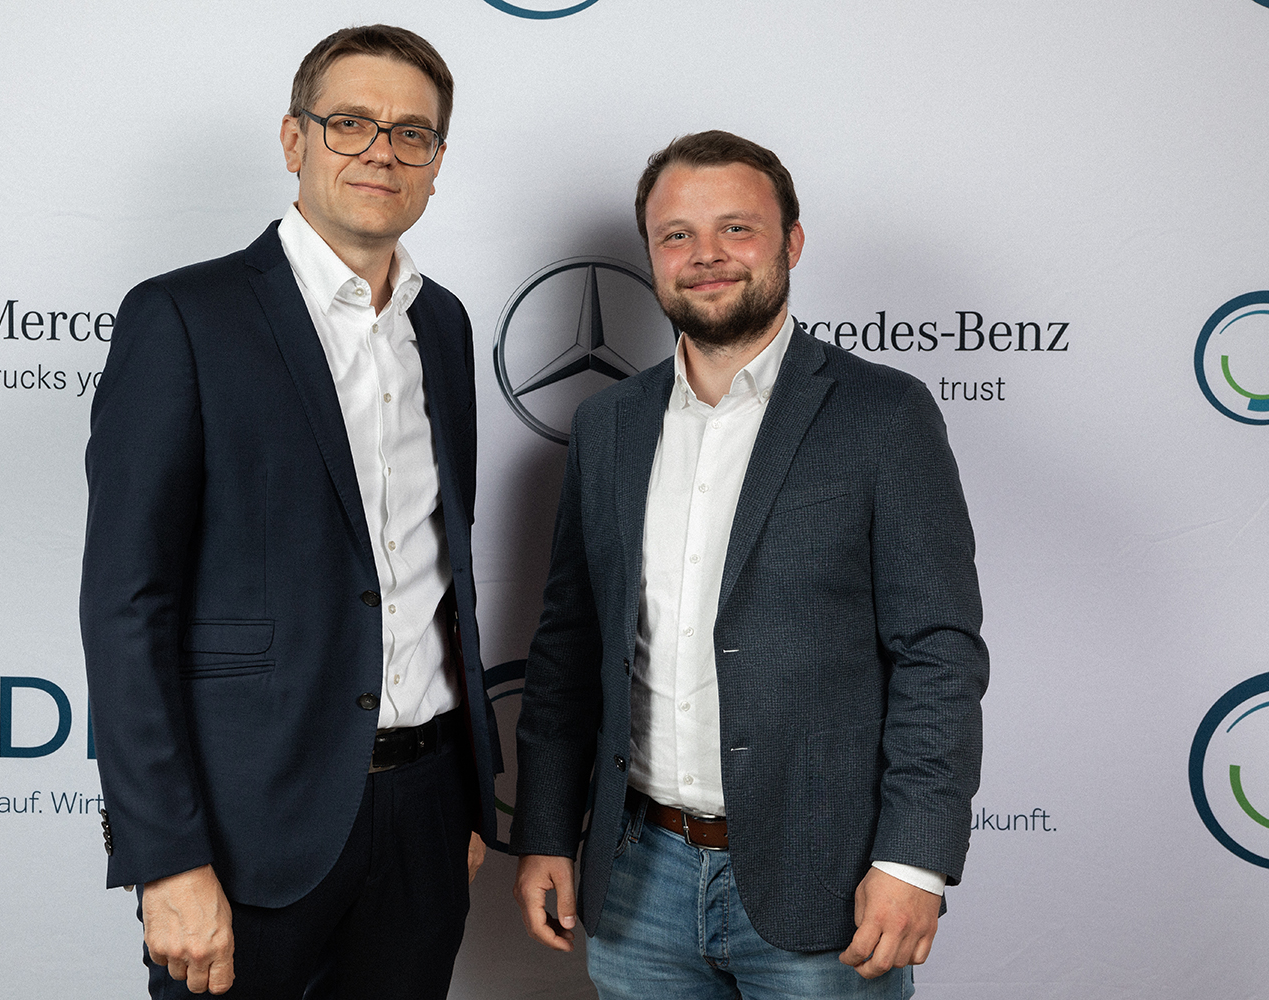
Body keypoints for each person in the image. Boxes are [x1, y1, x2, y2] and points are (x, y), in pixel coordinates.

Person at [510, 130, 988, 999]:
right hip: (637, 880)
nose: (707, 256)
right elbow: (568, 649)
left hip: (828, 881)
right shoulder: (608, 425)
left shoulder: (884, 414)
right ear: (652, 256)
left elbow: (938, 654)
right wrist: (546, 829)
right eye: (677, 235)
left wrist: (914, 858)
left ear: (790, 243)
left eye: (737, 228)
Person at [80, 25, 499, 1000]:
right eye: (350, 123)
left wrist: (464, 800)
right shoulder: (183, 318)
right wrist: (165, 858)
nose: (380, 152)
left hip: (427, 815)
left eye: (411, 133)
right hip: (246, 830)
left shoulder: (443, 324)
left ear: (437, 162)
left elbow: (439, 575)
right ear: (293, 139)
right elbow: (126, 605)